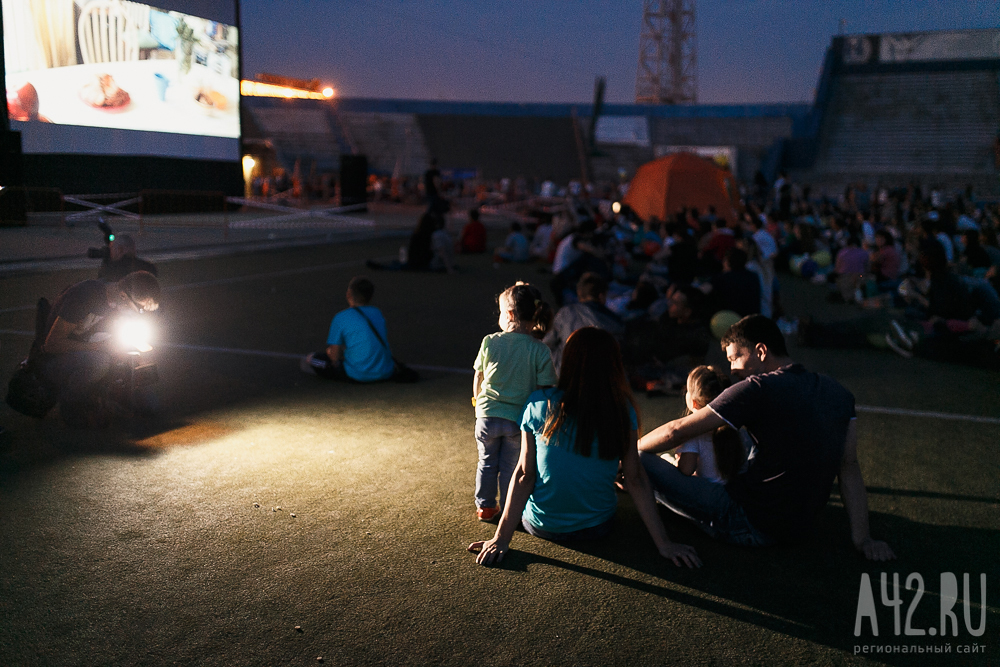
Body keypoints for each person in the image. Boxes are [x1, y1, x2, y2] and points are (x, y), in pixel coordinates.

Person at [638, 315, 895, 560]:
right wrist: (864, 539)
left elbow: (676, 431)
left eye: (734, 358)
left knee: (639, 458)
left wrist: (629, 452)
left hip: (746, 522)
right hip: (799, 529)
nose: (732, 369)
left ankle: (629, 470)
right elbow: (848, 466)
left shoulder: (756, 388)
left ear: (760, 351)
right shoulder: (838, 392)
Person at [468, 327, 700, 568]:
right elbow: (635, 478)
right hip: (597, 527)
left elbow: (525, 475)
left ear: (567, 361)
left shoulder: (538, 403)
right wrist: (664, 544)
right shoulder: (621, 409)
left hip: (542, 527)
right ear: (614, 365)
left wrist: (501, 539)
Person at [472, 283, 557, 521]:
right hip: (518, 421)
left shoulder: (490, 341)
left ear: (509, 314)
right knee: (512, 467)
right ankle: (510, 509)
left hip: (486, 416)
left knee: (486, 463)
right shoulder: (540, 350)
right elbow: (544, 389)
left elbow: (479, 376)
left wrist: (478, 404)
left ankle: (485, 507)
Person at [37, 271, 161, 428]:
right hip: (55, 362)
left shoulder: (119, 305)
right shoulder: (85, 296)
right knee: (99, 361)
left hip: (91, 355)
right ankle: (71, 404)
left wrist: (143, 351)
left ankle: (103, 396)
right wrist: (99, 348)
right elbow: (51, 345)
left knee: (151, 406)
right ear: (123, 296)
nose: (142, 314)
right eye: (141, 309)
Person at [302, 277, 396, 383]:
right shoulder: (377, 312)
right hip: (385, 371)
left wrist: (330, 352)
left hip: (358, 374)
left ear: (349, 294)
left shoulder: (341, 317)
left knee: (310, 359)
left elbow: (334, 358)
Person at [669, 366, 747, 484]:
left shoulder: (693, 431)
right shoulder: (735, 425)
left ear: (694, 402)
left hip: (708, 495)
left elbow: (686, 470)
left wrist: (678, 460)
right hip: (736, 491)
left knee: (661, 461)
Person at [543, 272, 624, 375]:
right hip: (599, 380)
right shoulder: (615, 322)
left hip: (565, 376)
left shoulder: (566, 313)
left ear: (579, 294)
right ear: (601, 296)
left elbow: (547, 343)